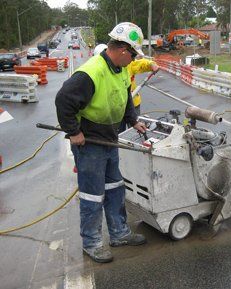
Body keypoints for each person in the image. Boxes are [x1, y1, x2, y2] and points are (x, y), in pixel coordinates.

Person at [55, 22, 148, 263]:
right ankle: (92, 242)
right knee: (92, 195)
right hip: (90, 143)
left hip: (109, 140)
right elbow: (64, 100)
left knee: (115, 188)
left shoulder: (120, 70)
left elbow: (125, 95)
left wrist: (133, 120)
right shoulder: (91, 72)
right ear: (123, 50)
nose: (134, 59)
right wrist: (74, 132)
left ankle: (119, 233)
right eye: (134, 54)